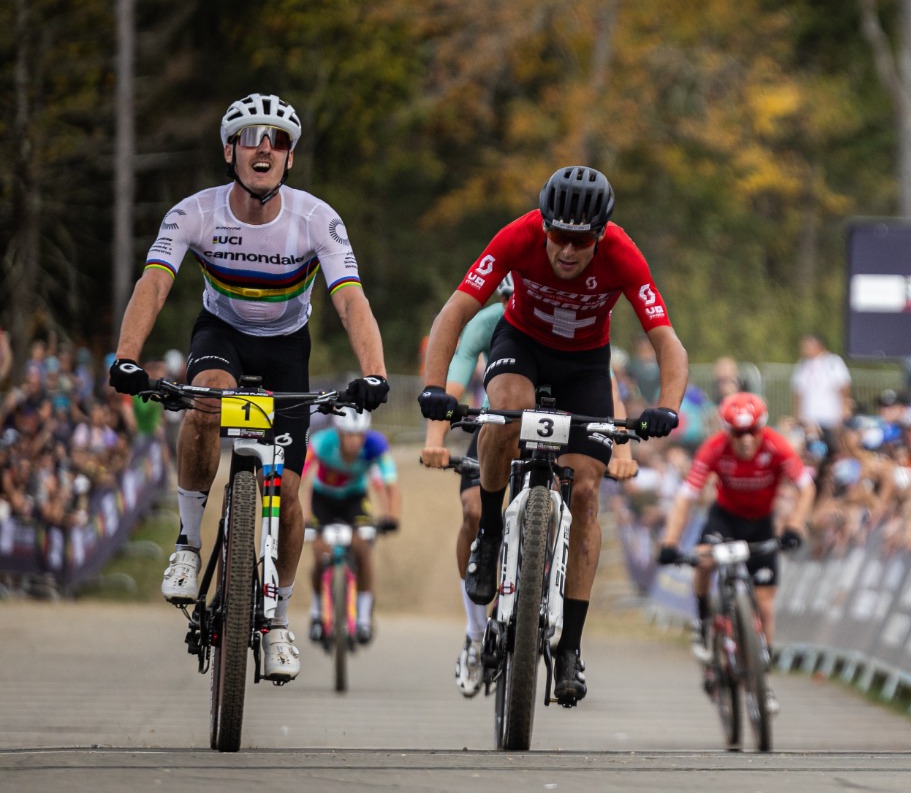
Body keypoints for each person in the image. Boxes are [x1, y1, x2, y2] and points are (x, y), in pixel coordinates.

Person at [107, 93, 390, 682]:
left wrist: (374, 372)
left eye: (279, 140)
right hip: (223, 332)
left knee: (286, 494)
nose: (265, 147)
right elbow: (154, 285)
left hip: (288, 346)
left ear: (290, 158)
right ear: (229, 149)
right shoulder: (195, 213)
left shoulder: (316, 219)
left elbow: (350, 301)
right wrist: (128, 357)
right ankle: (187, 544)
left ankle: (279, 622)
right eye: (251, 136)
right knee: (205, 399)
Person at [417, 165, 687, 706]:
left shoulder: (623, 254)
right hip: (523, 345)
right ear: (543, 225)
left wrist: (666, 409)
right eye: (557, 236)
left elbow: (668, 344)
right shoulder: (517, 236)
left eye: (579, 240)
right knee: (507, 412)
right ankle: (491, 533)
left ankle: (571, 650)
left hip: (585, 365)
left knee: (586, 490)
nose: (566, 250)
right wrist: (431, 390)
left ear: (601, 235)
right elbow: (454, 314)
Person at [419, 274, 637, 698]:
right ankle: (475, 628)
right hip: (500, 424)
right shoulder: (490, 321)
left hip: (561, 422)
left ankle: (547, 586)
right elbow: (456, 376)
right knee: (473, 510)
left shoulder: (571, 320)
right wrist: (435, 440)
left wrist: (624, 453)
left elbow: (605, 385)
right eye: (511, 298)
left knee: (577, 497)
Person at [655, 392, 813, 714]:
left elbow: (806, 487)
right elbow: (686, 496)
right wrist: (670, 542)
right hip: (724, 518)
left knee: (766, 605)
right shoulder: (714, 448)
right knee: (703, 556)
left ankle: (762, 680)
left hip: (762, 523)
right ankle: (702, 620)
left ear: (763, 428)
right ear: (727, 431)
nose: (744, 440)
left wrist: (795, 525)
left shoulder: (777, 446)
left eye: (751, 431)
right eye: (737, 433)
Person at [301, 408, 400, 644]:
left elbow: (390, 485)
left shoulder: (376, 445)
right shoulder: (321, 443)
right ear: (338, 433)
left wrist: (391, 517)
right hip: (322, 499)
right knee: (319, 551)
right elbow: (301, 478)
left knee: (363, 549)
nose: (355, 441)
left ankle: (364, 617)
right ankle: (317, 611)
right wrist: (303, 517)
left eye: (360, 435)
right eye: (348, 435)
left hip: (354, 501)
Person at [791, 333, 851, 446]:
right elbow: (798, 392)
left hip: (830, 416)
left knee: (832, 446)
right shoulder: (802, 365)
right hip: (809, 416)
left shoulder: (833, 362)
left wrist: (844, 408)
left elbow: (843, 386)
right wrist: (797, 415)